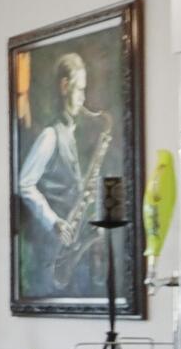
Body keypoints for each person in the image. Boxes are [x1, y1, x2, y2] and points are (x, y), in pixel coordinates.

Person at [16, 49, 116, 298]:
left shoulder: (71, 135)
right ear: (64, 86)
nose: (83, 98)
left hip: (73, 245)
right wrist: (54, 222)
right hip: (56, 248)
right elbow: (24, 184)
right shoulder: (50, 136)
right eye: (79, 90)